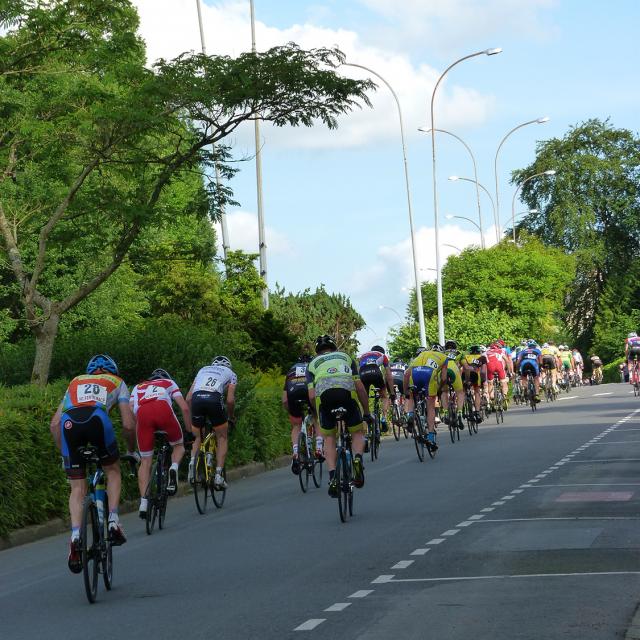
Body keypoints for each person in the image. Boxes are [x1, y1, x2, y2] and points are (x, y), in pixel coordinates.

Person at [49, 354, 137, 574]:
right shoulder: (118, 382)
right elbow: (127, 424)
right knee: (113, 471)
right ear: (113, 371)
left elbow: (55, 424)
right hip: (98, 419)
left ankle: (76, 535)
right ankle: (114, 521)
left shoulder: (75, 381)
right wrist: (130, 451)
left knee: (77, 487)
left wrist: (65, 457)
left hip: (70, 423)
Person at [306, 335, 371, 498]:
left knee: (329, 438)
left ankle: (333, 476)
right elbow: (360, 388)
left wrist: (318, 412)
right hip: (346, 394)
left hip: (325, 397)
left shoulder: (312, 364)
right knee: (357, 433)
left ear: (318, 351)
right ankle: (357, 458)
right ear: (334, 348)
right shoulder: (346, 357)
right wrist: (367, 413)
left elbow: (312, 396)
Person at [130, 369, 190, 519]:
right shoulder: (169, 382)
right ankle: (174, 468)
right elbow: (184, 407)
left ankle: (144, 502)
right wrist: (189, 432)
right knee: (178, 446)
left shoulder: (138, 387)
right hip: (162, 409)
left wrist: (142, 427)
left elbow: (131, 411)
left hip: (143, 414)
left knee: (145, 462)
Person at [186, 356, 237, 490]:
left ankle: (192, 463)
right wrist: (231, 417)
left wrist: (193, 419)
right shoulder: (231, 374)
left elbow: (188, 397)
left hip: (197, 399)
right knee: (222, 436)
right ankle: (219, 476)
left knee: (198, 435)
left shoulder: (203, 370)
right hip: (214, 399)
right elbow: (230, 400)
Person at [403, 343, 452, 449]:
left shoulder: (422, 354)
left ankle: (410, 416)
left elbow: (406, 374)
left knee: (411, 396)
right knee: (430, 407)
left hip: (414, 373)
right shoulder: (444, 358)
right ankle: (430, 436)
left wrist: (406, 391)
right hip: (429, 374)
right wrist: (439, 389)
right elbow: (443, 378)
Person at [283, 354, 321, 475]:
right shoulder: (312, 367)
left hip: (293, 394)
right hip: (307, 391)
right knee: (317, 418)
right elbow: (315, 391)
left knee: (296, 426)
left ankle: (295, 452)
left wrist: (290, 411)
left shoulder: (291, 370)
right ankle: (319, 448)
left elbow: (284, 399)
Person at [357, 344, 395, 433]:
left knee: (363, 399)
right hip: (375, 372)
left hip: (363, 374)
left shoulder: (363, 356)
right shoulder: (383, 356)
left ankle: (364, 428)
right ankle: (384, 418)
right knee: (384, 397)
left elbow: (358, 371)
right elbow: (388, 375)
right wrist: (392, 393)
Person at [460, 345, 487, 422]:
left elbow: (460, 368)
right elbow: (483, 371)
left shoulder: (465, 357)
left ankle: (461, 409)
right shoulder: (482, 358)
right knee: (477, 392)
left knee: (463, 392)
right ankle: (477, 412)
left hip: (465, 375)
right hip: (475, 375)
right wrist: (483, 381)